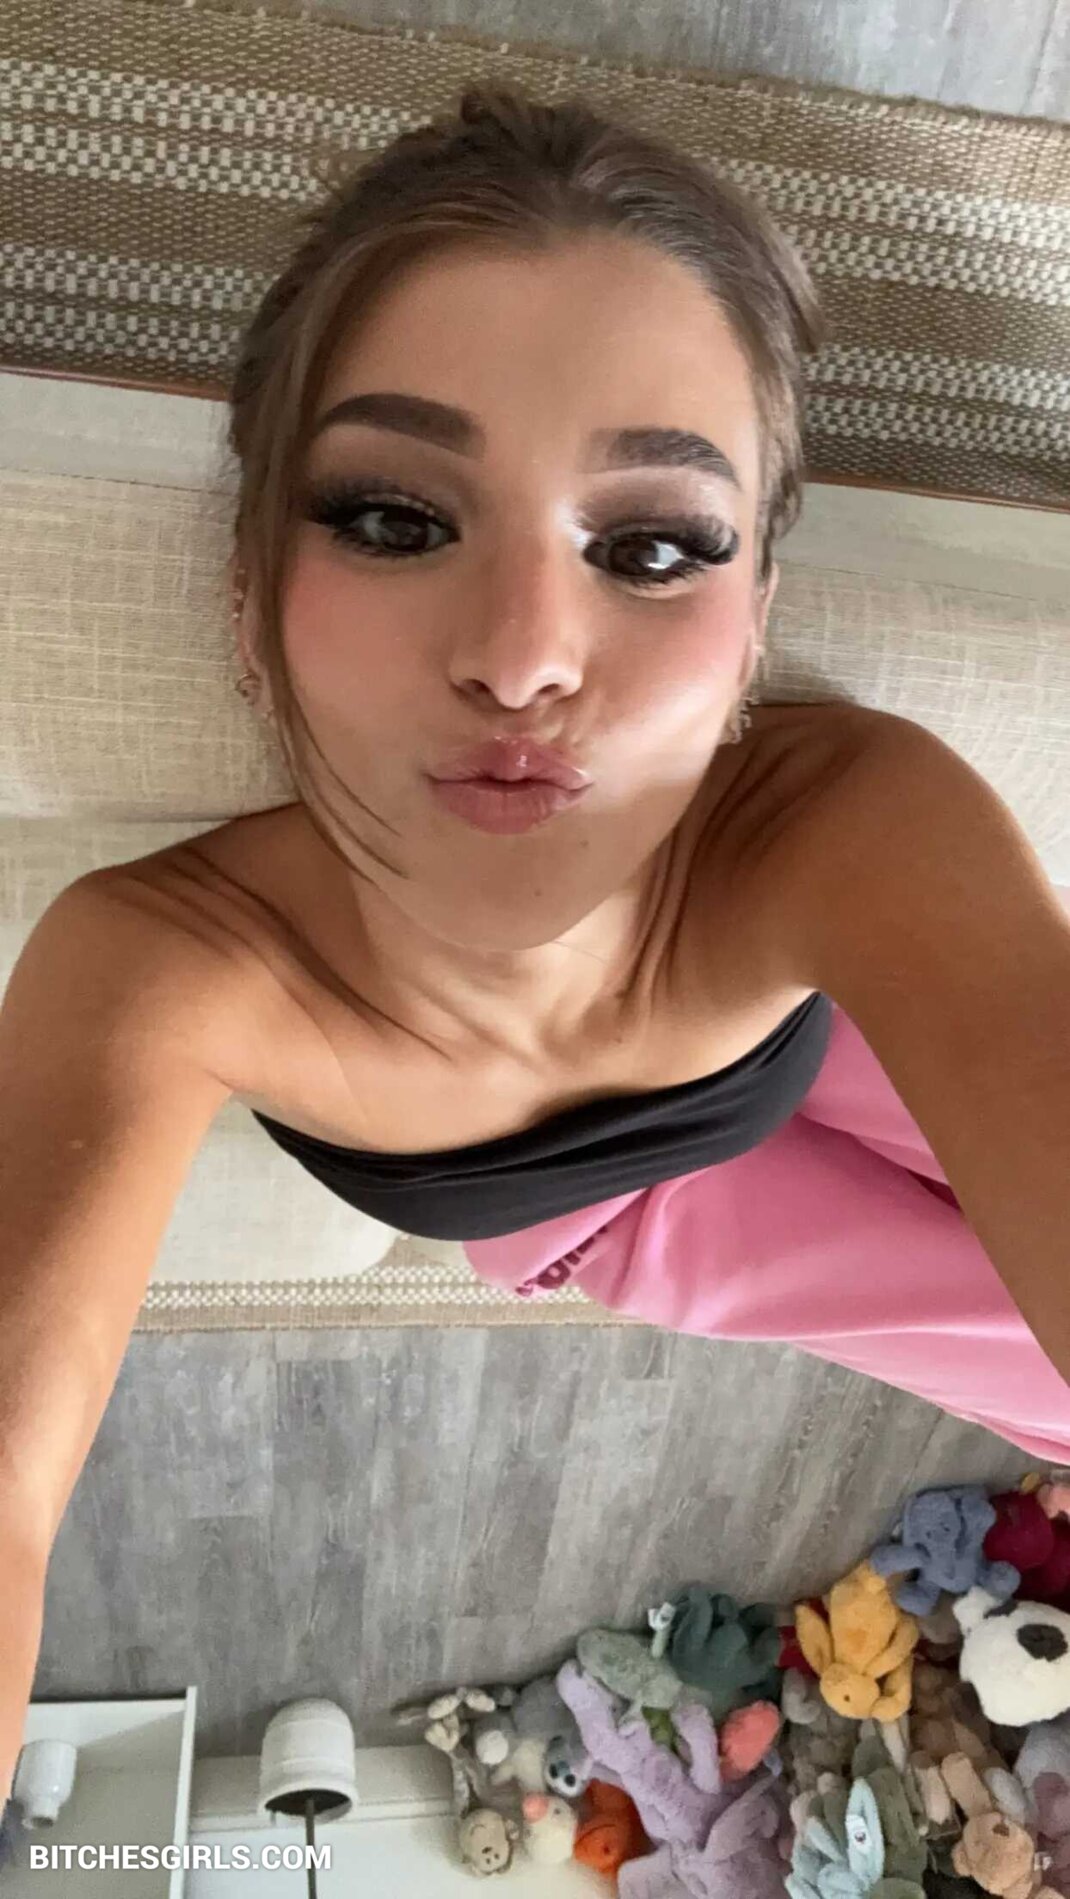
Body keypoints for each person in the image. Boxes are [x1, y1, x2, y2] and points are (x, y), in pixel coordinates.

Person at [1, 78, 1068, 1805]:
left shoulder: (841, 820)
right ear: (248, 601)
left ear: (753, 626)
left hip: (827, 1032)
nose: (521, 656)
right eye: (394, 520)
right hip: (614, 1227)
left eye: (649, 546)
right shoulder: (162, 961)